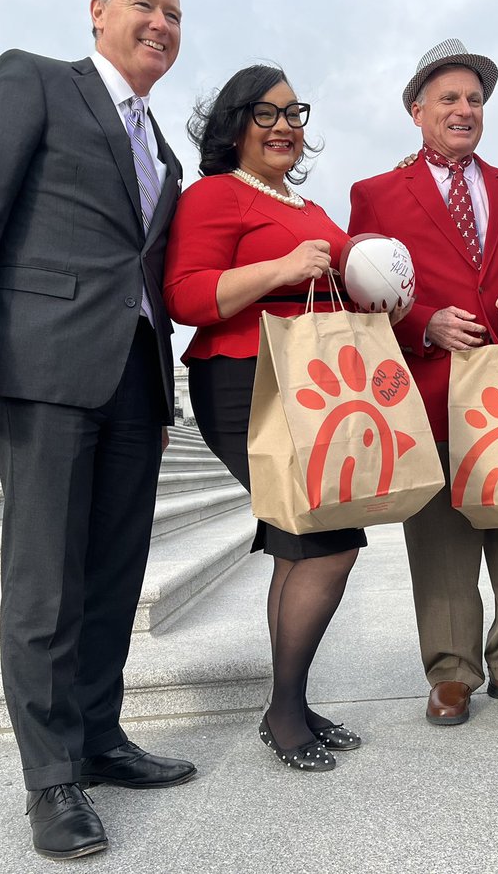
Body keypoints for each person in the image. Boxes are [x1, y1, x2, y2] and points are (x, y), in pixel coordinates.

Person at [0, 0, 194, 859]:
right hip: (43, 367)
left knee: (115, 574)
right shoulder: (34, 79)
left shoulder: (164, 150)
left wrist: (158, 388)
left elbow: (145, 277)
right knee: (45, 581)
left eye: (175, 15)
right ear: (98, 11)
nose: (160, 23)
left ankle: (101, 739)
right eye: (145, 5)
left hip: (133, 382)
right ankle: (51, 780)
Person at [349, 39, 498, 727]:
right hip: (428, 392)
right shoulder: (374, 194)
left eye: (474, 100)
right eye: (449, 99)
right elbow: (358, 296)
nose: (464, 110)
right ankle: (451, 673)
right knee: (439, 544)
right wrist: (422, 324)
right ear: (417, 111)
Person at [163, 65, 366, 773]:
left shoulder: (308, 209)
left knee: (298, 542)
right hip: (248, 379)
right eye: (265, 113)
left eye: (293, 113)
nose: (284, 126)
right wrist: (281, 270)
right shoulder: (213, 196)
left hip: (315, 380)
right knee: (328, 541)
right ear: (233, 125)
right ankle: (284, 711)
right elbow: (186, 295)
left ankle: (290, 702)